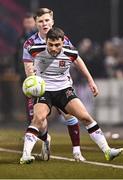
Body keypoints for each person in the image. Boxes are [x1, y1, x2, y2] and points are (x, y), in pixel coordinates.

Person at [20, 27, 123, 164]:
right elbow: (26, 60)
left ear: (63, 43)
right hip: (44, 91)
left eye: (57, 45)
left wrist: (90, 81)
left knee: (86, 117)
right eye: (50, 44)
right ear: (46, 42)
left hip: (64, 90)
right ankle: (25, 155)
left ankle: (107, 151)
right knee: (38, 119)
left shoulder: (71, 52)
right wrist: (31, 76)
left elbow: (80, 64)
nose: (53, 48)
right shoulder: (35, 49)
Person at [20, 8, 85, 162]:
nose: (44, 24)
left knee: (70, 114)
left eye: (47, 20)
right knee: (38, 120)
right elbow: (29, 67)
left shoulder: (63, 39)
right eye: (41, 21)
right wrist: (33, 83)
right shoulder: (30, 43)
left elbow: (74, 58)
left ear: (52, 21)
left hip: (61, 86)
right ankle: (45, 139)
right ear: (36, 23)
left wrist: (86, 78)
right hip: (41, 86)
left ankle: (76, 151)